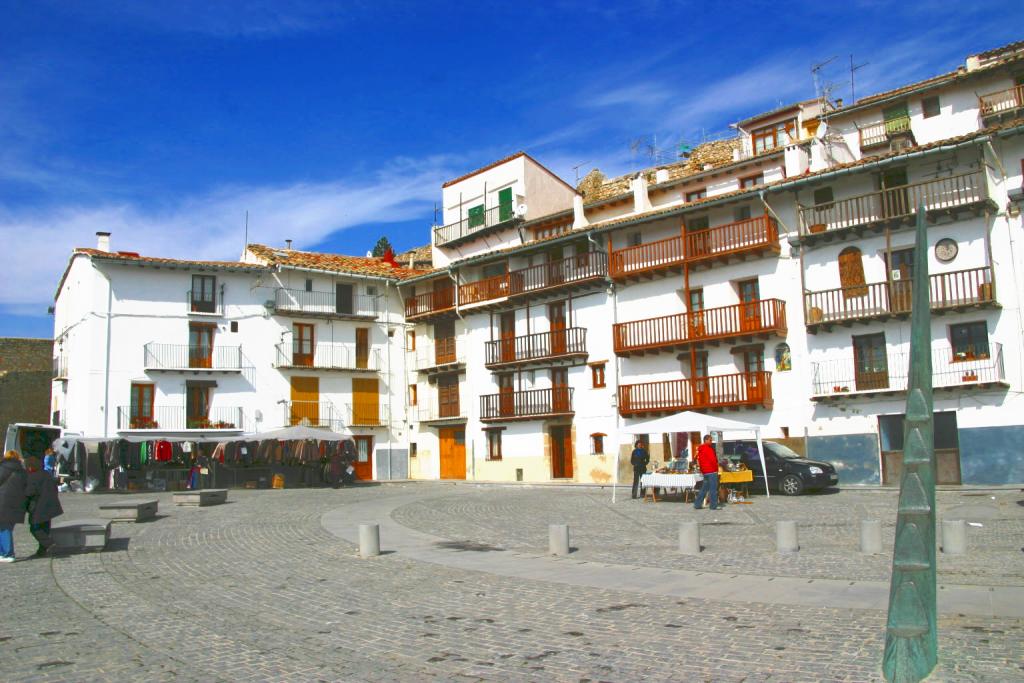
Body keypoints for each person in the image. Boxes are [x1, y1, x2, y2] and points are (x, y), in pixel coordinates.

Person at [23, 456, 63, 557]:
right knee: (45, 528)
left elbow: (29, 492)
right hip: (50, 505)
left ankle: (50, 544)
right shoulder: (46, 474)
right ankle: (42, 551)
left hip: (38, 506)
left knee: (35, 528)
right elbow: (54, 488)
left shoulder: (32, 477)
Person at [0, 450, 28, 562]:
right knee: (6, 527)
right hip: (17, 503)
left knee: (4, 528)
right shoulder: (23, 471)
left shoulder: (3, 468)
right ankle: (3, 553)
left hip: (3, 502)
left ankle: (8, 553)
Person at [693, 435, 720, 511]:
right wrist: (716, 469)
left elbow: (700, 461)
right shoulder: (708, 448)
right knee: (713, 489)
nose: (711, 442)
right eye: (710, 440)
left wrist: (703, 470)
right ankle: (713, 506)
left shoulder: (700, 449)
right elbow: (713, 460)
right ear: (706, 440)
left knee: (704, 489)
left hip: (705, 472)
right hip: (712, 471)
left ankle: (697, 504)